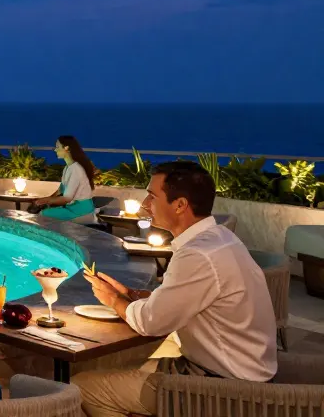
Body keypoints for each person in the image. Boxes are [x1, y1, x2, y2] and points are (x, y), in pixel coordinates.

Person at [74, 161, 277, 417]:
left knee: (81, 388)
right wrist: (136, 295)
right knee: (144, 363)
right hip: (244, 374)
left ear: (180, 205)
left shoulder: (197, 255)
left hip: (225, 392)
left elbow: (151, 323)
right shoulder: (222, 239)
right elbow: (197, 298)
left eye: (152, 195)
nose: (146, 204)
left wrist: (114, 300)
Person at [31, 135, 95, 222]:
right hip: (72, 208)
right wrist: (45, 200)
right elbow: (60, 190)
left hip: (80, 211)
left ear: (66, 148)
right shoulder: (68, 168)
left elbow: (67, 198)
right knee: (44, 212)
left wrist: (46, 201)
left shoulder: (76, 169)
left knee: (44, 215)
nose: (55, 149)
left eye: (57, 147)